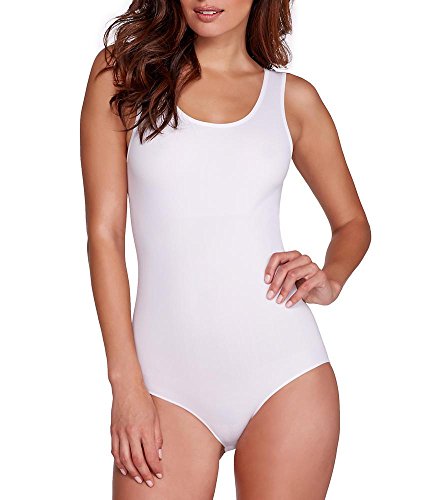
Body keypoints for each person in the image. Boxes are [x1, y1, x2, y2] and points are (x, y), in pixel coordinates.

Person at [80, 1, 371, 498]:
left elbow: (352, 224)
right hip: (163, 385)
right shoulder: (123, 76)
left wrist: (331, 278)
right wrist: (125, 387)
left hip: (285, 374)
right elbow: (103, 236)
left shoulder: (291, 100)